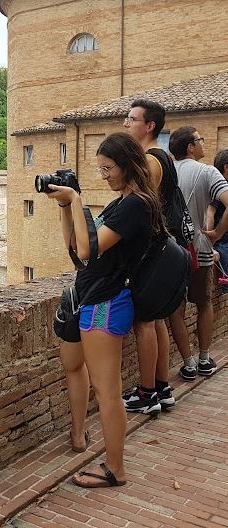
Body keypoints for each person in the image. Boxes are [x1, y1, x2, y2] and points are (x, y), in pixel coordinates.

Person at [48, 132, 167, 488]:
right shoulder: (120, 203)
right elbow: (75, 248)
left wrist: (77, 200)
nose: (105, 176)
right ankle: (79, 435)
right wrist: (66, 207)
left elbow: (89, 250)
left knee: (107, 391)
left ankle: (115, 468)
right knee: (72, 363)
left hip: (107, 303)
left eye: (108, 168)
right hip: (90, 297)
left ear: (128, 165)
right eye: (100, 169)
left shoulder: (136, 206)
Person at [121, 99, 177, 414]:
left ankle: (147, 393)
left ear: (149, 125)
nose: (126, 124)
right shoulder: (163, 156)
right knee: (156, 321)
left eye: (132, 119)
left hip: (149, 250)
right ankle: (162, 387)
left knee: (144, 321)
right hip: (162, 248)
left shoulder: (150, 161)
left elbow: (140, 206)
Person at [169, 128, 228, 380]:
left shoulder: (164, 170)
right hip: (200, 248)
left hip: (172, 252)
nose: (203, 143)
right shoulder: (207, 172)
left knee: (176, 309)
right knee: (204, 303)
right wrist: (217, 233)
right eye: (200, 139)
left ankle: (188, 363)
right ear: (190, 147)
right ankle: (204, 359)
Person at [208, 149, 228, 294]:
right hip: (222, 243)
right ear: (226, 167)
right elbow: (209, 213)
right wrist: (209, 247)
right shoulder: (218, 186)